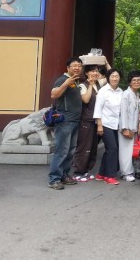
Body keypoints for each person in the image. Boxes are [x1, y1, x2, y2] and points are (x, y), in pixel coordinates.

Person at [48, 57, 83, 190]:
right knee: (61, 151)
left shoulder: (76, 81)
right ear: (68, 68)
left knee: (70, 150)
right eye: (74, 65)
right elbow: (53, 95)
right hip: (65, 121)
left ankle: (64, 175)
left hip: (74, 121)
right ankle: (54, 179)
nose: (77, 68)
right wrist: (66, 83)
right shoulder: (63, 79)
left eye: (79, 65)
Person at [94, 68, 124, 185]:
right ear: (108, 78)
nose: (115, 78)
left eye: (117, 76)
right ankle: (110, 175)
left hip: (116, 124)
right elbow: (98, 108)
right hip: (105, 124)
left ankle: (101, 173)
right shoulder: (103, 91)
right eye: (112, 76)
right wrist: (99, 125)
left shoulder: (121, 91)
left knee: (111, 149)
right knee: (112, 148)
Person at [72, 64, 101, 182]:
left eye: (96, 71)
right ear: (87, 73)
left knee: (93, 147)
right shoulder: (82, 86)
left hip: (96, 120)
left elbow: (112, 74)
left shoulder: (98, 85)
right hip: (86, 120)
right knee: (84, 146)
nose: (95, 73)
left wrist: (105, 61)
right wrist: (90, 84)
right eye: (92, 71)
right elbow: (86, 99)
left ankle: (86, 171)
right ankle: (78, 172)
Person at [119, 70, 140, 183]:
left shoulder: (137, 94)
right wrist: (125, 128)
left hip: (133, 127)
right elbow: (123, 112)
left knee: (131, 151)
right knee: (125, 151)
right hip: (126, 128)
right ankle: (126, 173)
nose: (137, 82)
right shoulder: (126, 94)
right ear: (129, 82)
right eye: (134, 80)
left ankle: (131, 171)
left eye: (138, 80)